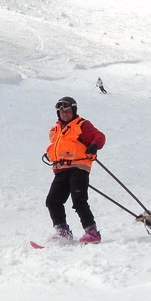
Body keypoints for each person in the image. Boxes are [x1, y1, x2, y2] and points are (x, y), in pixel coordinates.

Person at [43, 96, 106, 243]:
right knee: (52, 200)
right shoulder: (57, 129)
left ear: (74, 111)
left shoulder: (81, 125)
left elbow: (99, 136)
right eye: (61, 111)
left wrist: (94, 145)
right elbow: (59, 145)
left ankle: (92, 232)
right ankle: (63, 232)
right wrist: (49, 153)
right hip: (61, 170)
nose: (65, 114)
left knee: (79, 200)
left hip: (78, 168)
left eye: (68, 111)